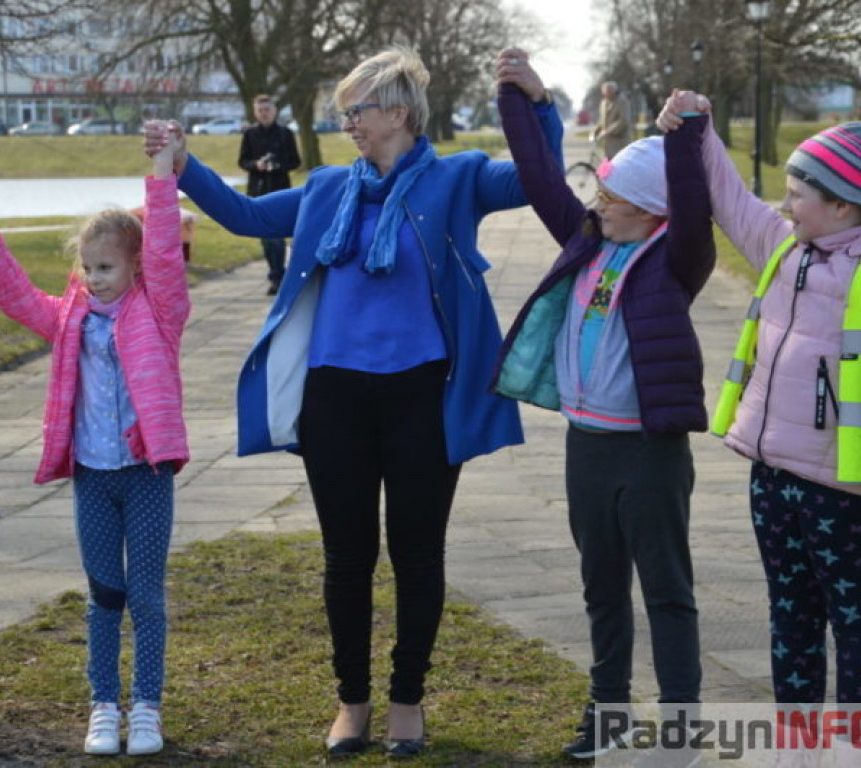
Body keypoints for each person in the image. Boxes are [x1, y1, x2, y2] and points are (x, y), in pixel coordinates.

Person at [144, 46, 562, 758]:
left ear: (398, 112)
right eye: (344, 113)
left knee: (417, 552)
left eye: (356, 111)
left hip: (422, 395)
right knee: (347, 556)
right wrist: (183, 165)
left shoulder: (458, 179)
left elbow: (536, 178)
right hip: (334, 396)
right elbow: (245, 217)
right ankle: (352, 702)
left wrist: (535, 103)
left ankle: (407, 700)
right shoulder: (329, 188)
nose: (347, 125)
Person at [494, 50, 715, 767]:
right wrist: (519, 96)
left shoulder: (676, 258)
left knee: (666, 590)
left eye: (614, 196)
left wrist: (683, 133)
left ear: (651, 209)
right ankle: (608, 712)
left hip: (648, 453)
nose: (598, 204)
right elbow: (538, 178)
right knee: (601, 588)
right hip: (586, 445)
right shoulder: (587, 242)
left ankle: (681, 724)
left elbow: (691, 198)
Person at [658, 92, 861, 768]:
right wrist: (699, 131)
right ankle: (799, 753)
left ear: (842, 204)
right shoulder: (786, 246)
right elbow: (732, 198)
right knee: (791, 620)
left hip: (849, 492)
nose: (783, 204)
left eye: (798, 193)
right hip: (774, 475)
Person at [0, 130, 189, 757]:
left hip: (146, 475)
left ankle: (147, 706)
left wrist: (160, 169)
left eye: (108, 268)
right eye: (89, 268)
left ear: (134, 267)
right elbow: (19, 298)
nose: (96, 279)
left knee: (147, 596)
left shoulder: (160, 311)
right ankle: (104, 704)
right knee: (105, 594)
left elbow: (162, 246)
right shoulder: (70, 317)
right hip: (93, 478)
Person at [238, 94, 301, 295]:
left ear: (274, 111)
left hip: (280, 188)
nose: (264, 114)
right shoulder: (250, 135)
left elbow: (296, 162)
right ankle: (275, 273)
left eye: (268, 110)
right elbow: (243, 161)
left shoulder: (286, 134)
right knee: (265, 237)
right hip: (258, 190)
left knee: (277, 236)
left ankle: (278, 277)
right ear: (255, 112)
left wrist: (278, 165)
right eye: (260, 110)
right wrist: (257, 165)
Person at [592, 80, 631, 160]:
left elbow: (623, 121)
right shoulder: (603, 102)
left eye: (609, 92)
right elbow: (601, 120)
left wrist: (607, 131)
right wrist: (596, 131)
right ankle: (601, 173)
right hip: (607, 146)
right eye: (605, 92)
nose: (607, 95)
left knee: (617, 168)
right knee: (605, 169)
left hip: (619, 144)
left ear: (614, 91)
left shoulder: (622, 101)